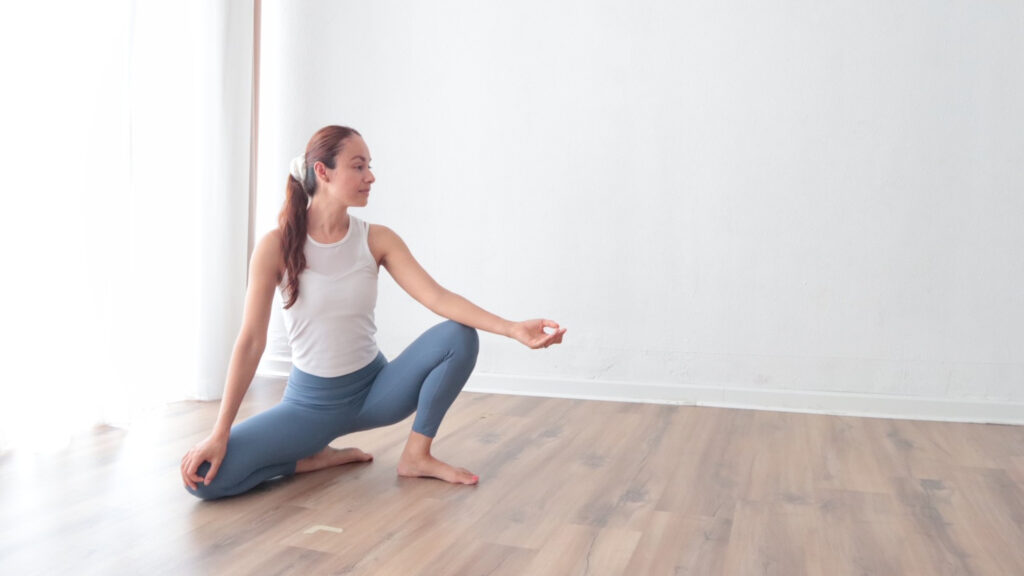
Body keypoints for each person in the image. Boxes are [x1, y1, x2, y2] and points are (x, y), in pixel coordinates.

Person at [180, 125, 565, 500]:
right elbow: (250, 341)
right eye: (358, 166)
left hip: (376, 393)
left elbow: (437, 297)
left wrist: (513, 328)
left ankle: (417, 455)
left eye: (369, 166)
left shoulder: (376, 239)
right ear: (322, 171)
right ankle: (310, 457)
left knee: (458, 335)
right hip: (308, 406)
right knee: (202, 480)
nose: (371, 177)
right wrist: (220, 432)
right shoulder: (276, 246)